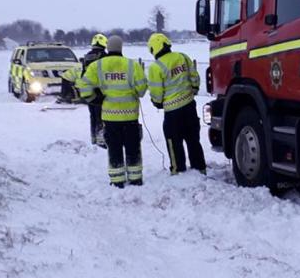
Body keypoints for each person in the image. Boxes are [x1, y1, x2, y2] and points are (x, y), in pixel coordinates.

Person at [76, 35, 147, 187]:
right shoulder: (132, 65)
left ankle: (117, 180)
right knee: (133, 148)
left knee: (114, 149)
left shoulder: (98, 66)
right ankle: (135, 178)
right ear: (121, 48)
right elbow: (141, 90)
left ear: (108, 48)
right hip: (130, 116)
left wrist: (94, 98)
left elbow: (83, 86)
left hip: (110, 117)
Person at [146, 33, 206, 175]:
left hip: (172, 112)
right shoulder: (182, 57)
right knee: (193, 139)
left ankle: (178, 170)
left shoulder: (156, 67)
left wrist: (157, 103)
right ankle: (200, 167)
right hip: (189, 106)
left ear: (154, 49)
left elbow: (156, 92)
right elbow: (194, 77)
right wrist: (194, 90)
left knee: (173, 141)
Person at [81, 33, 108, 146]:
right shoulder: (104, 56)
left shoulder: (87, 57)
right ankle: (101, 138)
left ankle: (94, 137)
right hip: (100, 90)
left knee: (93, 115)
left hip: (89, 90)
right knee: (101, 115)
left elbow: (83, 75)